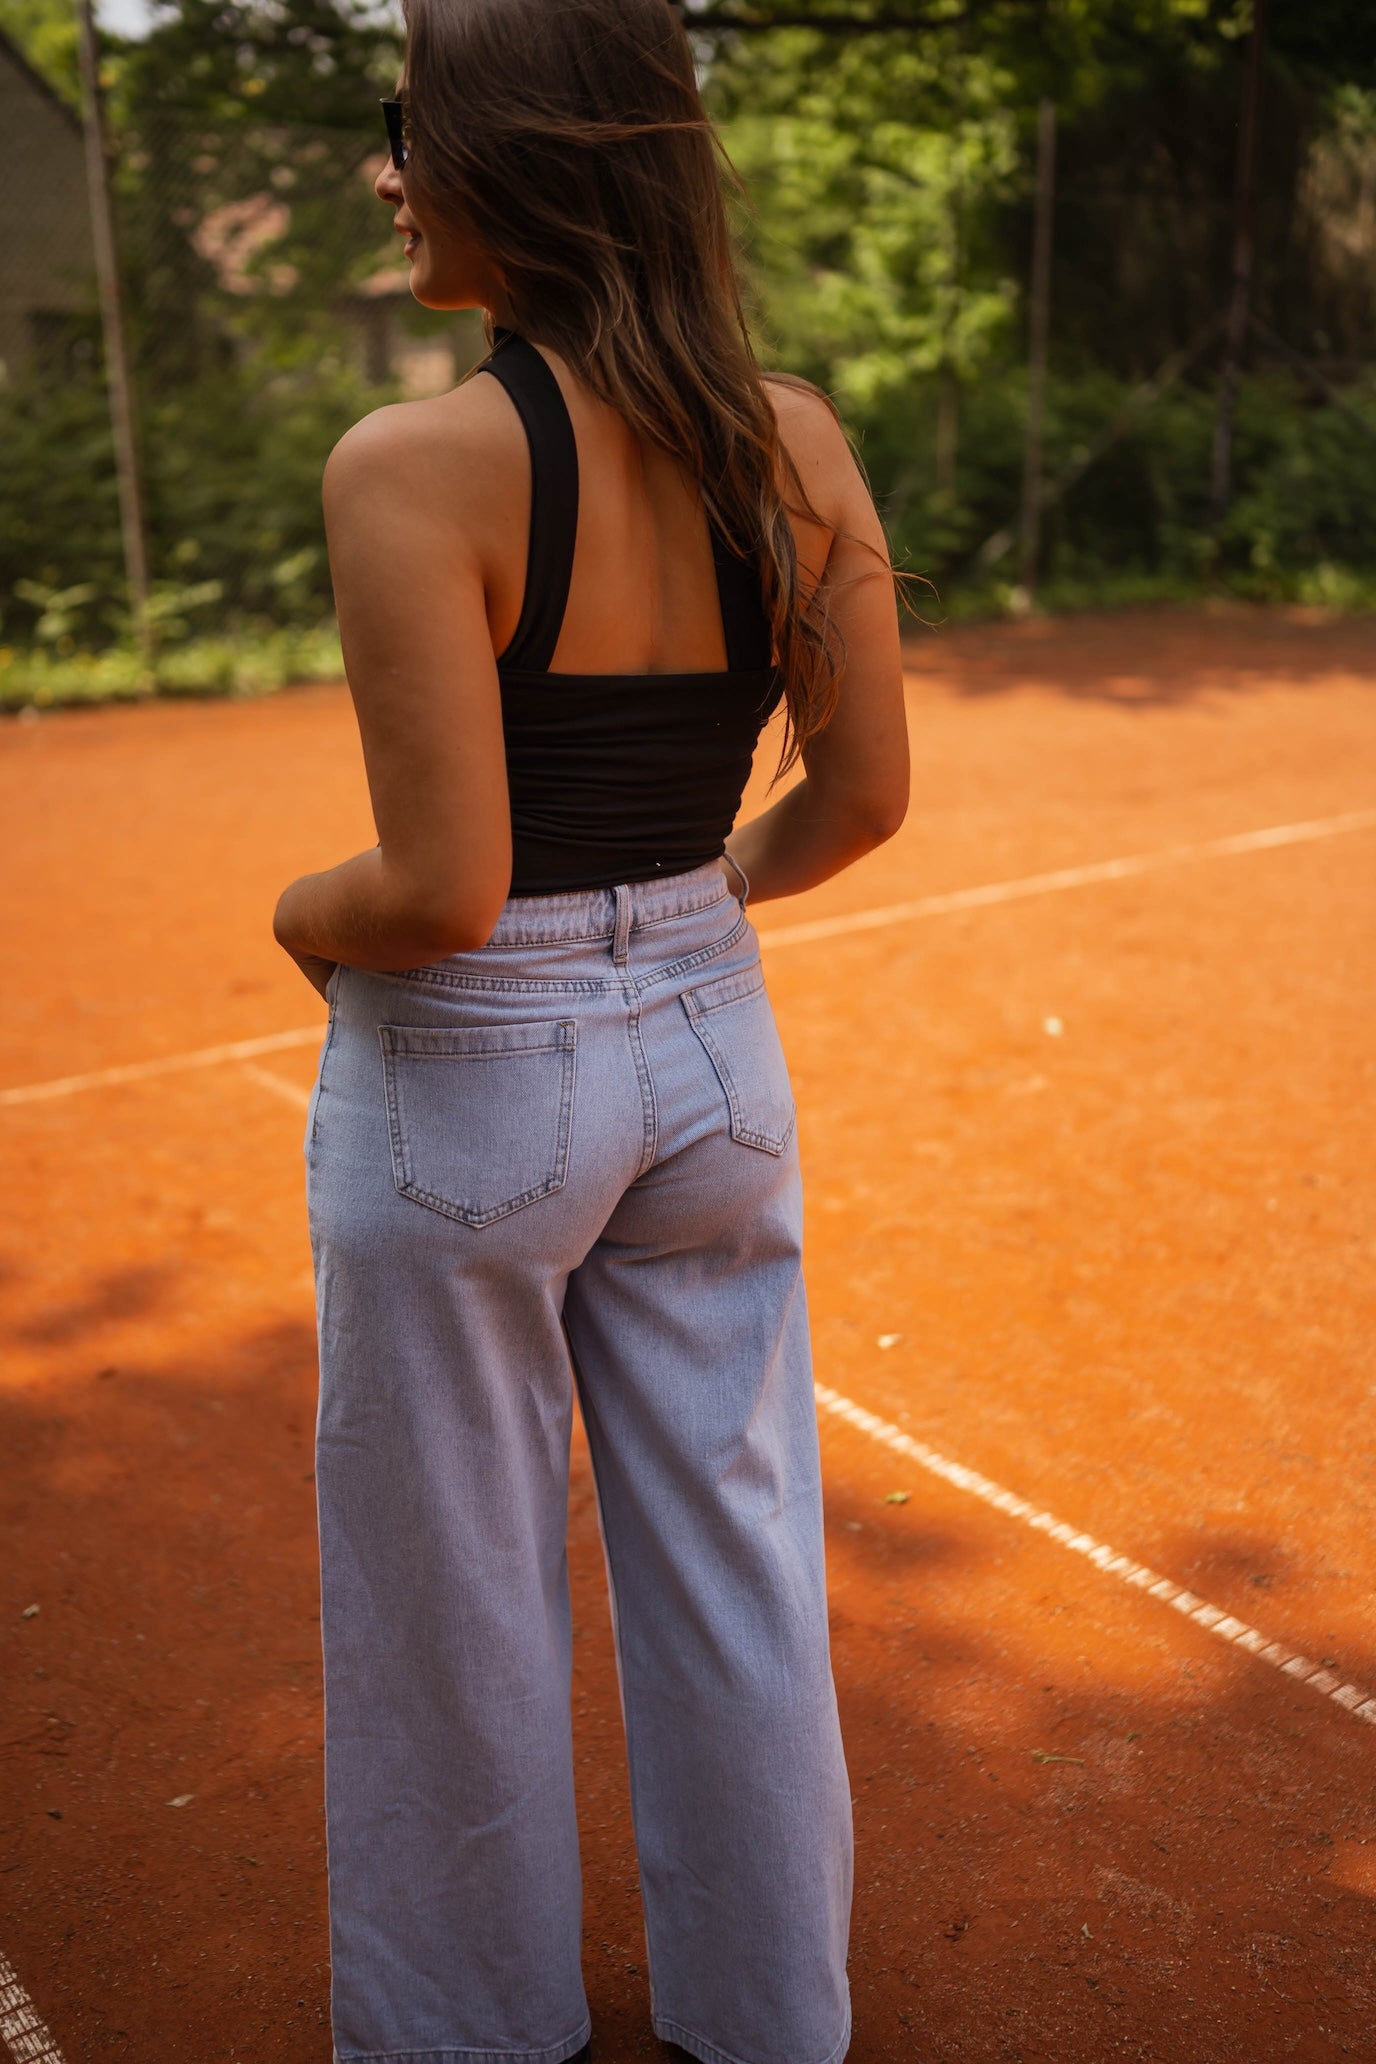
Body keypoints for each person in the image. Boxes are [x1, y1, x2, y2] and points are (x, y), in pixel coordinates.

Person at [271, 2, 909, 2059]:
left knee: (447, 1599)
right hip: (715, 1054)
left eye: (407, 129)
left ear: (513, 158)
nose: (386, 168)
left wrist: (301, 912)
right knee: (736, 1556)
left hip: (473, 1071)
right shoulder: (792, 440)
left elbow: (438, 891)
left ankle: (470, 2033)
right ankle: (764, 2020)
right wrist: (685, 912)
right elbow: (864, 796)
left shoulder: (410, 464)